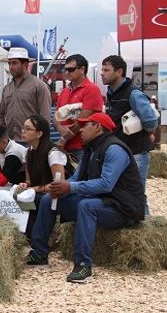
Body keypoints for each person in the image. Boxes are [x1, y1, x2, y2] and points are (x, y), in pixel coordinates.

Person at [26, 113, 145, 283]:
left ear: (98, 127)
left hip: (123, 209)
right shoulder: (91, 148)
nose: (80, 129)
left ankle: (83, 265)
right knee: (48, 199)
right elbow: (76, 179)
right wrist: (61, 188)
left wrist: (71, 187)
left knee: (87, 206)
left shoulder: (114, 149)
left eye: (85, 125)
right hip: (103, 203)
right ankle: (39, 254)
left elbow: (106, 184)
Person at [101, 55, 158, 215]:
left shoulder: (133, 93)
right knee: (123, 192)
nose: (102, 73)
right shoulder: (112, 93)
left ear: (119, 72)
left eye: (106, 70)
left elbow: (151, 120)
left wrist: (149, 131)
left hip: (136, 151)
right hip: (122, 151)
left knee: (137, 193)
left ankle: (145, 228)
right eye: (102, 69)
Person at [19, 115, 67, 240]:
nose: (23, 131)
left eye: (28, 129)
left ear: (39, 133)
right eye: (23, 128)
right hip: (37, 192)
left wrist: (34, 189)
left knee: (39, 199)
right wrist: (26, 185)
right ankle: (28, 234)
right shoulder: (27, 152)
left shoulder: (53, 153)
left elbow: (59, 185)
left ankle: (38, 237)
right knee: (16, 196)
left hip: (52, 195)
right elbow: (29, 180)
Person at [54, 54, 103, 162]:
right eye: (65, 69)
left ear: (82, 69)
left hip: (83, 147)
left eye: (70, 69)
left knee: (84, 177)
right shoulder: (65, 91)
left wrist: (63, 138)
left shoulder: (92, 89)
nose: (67, 72)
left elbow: (84, 118)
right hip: (66, 148)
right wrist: (60, 128)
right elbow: (56, 116)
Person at [0, 47, 52, 143]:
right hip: (10, 143)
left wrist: (40, 143)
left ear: (25, 65)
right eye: (9, 63)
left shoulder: (39, 86)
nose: (10, 67)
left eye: (14, 63)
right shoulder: (7, 88)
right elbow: (1, 116)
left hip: (31, 143)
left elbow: (45, 117)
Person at [0, 123, 27, 188]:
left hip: (22, 185)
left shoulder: (14, 153)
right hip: (11, 183)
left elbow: (1, 181)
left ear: (4, 142)